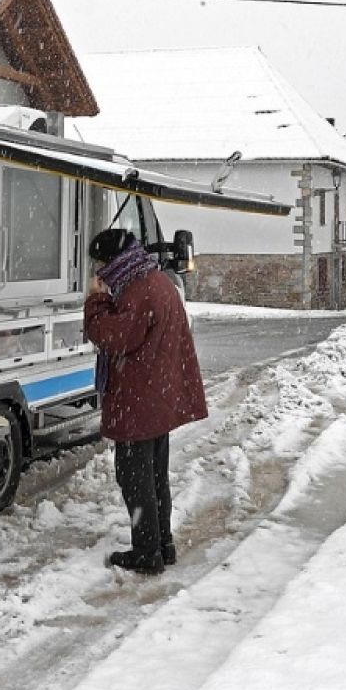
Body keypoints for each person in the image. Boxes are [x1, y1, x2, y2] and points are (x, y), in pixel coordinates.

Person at [83, 228, 208, 574]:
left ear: (114, 261)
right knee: (154, 476)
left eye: (99, 263)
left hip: (138, 400)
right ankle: (162, 544)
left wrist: (95, 301)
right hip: (153, 397)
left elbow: (111, 336)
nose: (97, 272)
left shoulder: (139, 291)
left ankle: (147, 553)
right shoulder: (155, 281)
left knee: (135, 479)